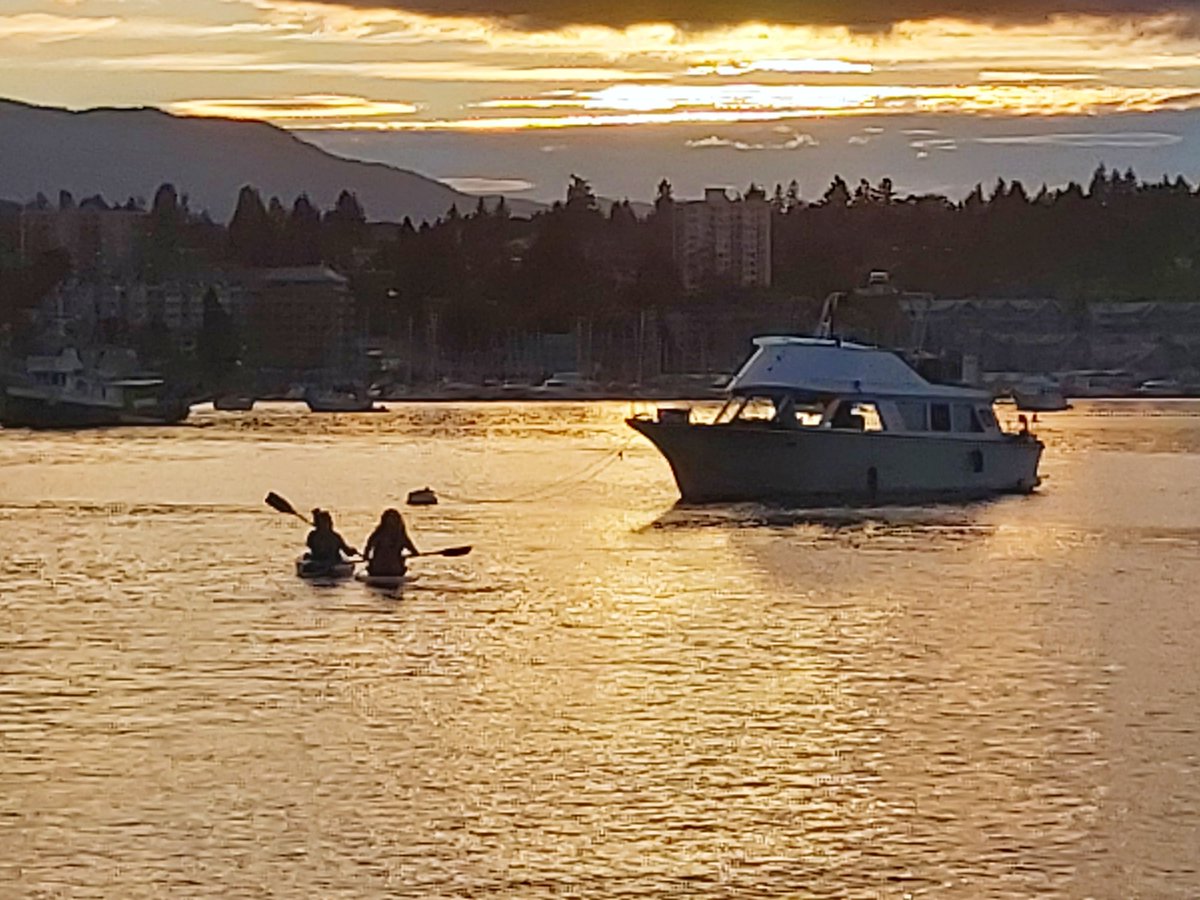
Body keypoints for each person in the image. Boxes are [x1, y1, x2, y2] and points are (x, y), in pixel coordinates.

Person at [364, 508, 419, 577]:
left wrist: (366, 557)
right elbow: (414, 552)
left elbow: (368, 548)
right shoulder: (401, 536)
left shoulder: (377, 534)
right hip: (395, 570)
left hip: (378, 570)